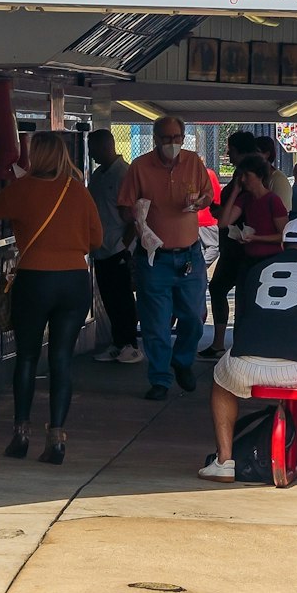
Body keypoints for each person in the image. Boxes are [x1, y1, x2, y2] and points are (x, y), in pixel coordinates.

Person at [0, 132, 100, 464]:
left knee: (27, 357)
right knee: (62, 360)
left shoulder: (24, 188)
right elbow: (96, 239)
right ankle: (57, 438)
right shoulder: (78, 191)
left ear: (37, 156)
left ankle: (21, 434)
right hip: (75, 282)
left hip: (35, 280)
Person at [198, 219, 297, 486]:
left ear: (282, 245)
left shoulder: (254, 270)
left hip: (245, 364)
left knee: (220, 381)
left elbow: (244, 319)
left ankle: (224, 461)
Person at [118, 116, 215, 401]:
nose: (171, 143)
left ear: (183, 138)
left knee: (195, 317)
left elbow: (208, 195)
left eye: (176, 138)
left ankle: (182, 360)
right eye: (165, 138)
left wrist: (201, 202)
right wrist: (135, 214)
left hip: (190, 255)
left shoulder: (193, 162)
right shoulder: (140, 167)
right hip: (154, 257)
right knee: (156, 323)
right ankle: (160, 378)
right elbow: (123, 208)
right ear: (155, 138)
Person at [85, 129, 141, 365]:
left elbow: (134, 216)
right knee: (109, 297)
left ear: (106, 146)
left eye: (94, 148)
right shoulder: (98, 175)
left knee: (123, 298)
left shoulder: (124, 174)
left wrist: (124, 247)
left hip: (119, 248)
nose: (91, 153)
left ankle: (130, 344)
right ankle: (118, 342)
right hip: (100, 247)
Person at [205, 132, 260, 359]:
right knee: (228, 291)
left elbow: (227, 215)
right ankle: (229, 344)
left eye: (230, 150)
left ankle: (234, 345)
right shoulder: (254, 175)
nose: (228, 155)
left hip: (240, 244)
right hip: (237, 242)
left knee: (235, 293)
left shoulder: (247, 180)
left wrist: (221, 209)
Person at [221, 156, 288, 260]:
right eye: (241, 176)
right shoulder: (245, 198)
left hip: (270, 257)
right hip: (250, 256)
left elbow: (284, 235)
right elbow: (223, 223)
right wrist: (234, 192)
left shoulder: (273, 200)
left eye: (247, 175)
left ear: (260, 176)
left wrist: (256, 238)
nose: (243, 180)